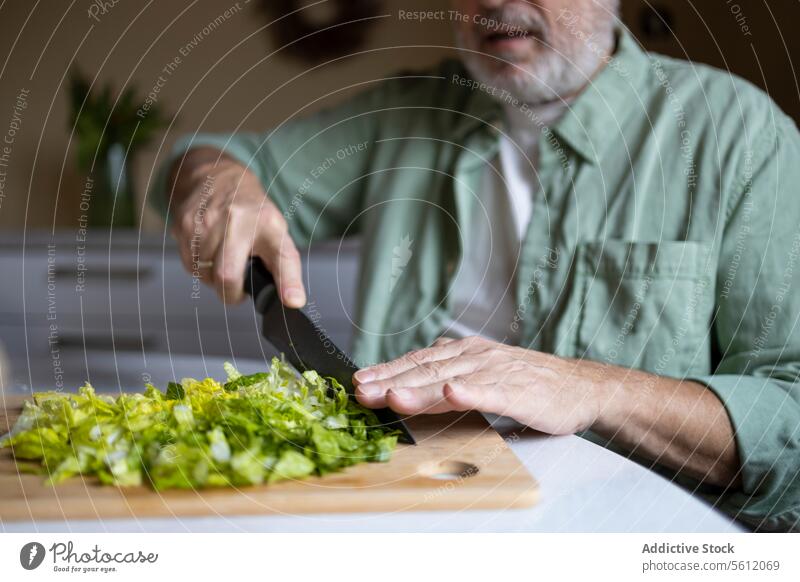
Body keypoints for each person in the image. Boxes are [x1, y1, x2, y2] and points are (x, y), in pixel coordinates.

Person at [153, 0, 800, 531]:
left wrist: (595, 388)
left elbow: (789, 409)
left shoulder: (739, 136)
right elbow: (207, 159)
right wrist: (216, 179)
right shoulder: (410, 110)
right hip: (401, 514)